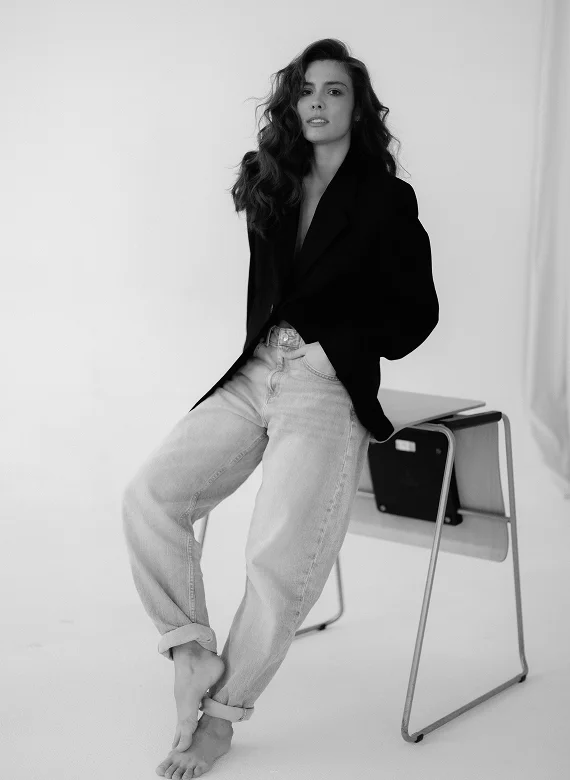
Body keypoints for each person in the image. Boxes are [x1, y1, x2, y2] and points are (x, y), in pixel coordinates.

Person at [122, 37, 439, 779]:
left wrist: (336, 350)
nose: (318, 103)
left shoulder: (386, 199)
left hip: (324, 386)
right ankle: (192, 652)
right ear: (291, 103)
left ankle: (222, 718)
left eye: (335, 91)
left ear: (357, 107)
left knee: (277, 558)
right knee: (151, 495)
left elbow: (417, 314)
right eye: (306, 91)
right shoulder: (272, 182)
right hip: (257, 370)